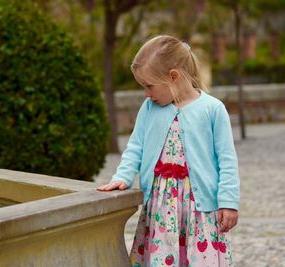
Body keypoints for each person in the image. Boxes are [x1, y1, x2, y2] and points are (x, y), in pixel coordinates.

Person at [97, 35, 240, 267]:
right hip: (162, 207)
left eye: (149, 85)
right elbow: (136, 146)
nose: (146, 93)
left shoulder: (213, 110)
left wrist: (229, 202)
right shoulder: (149, 108)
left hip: (200, 208)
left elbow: (227, 160)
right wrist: (122, 176)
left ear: (173, 76)